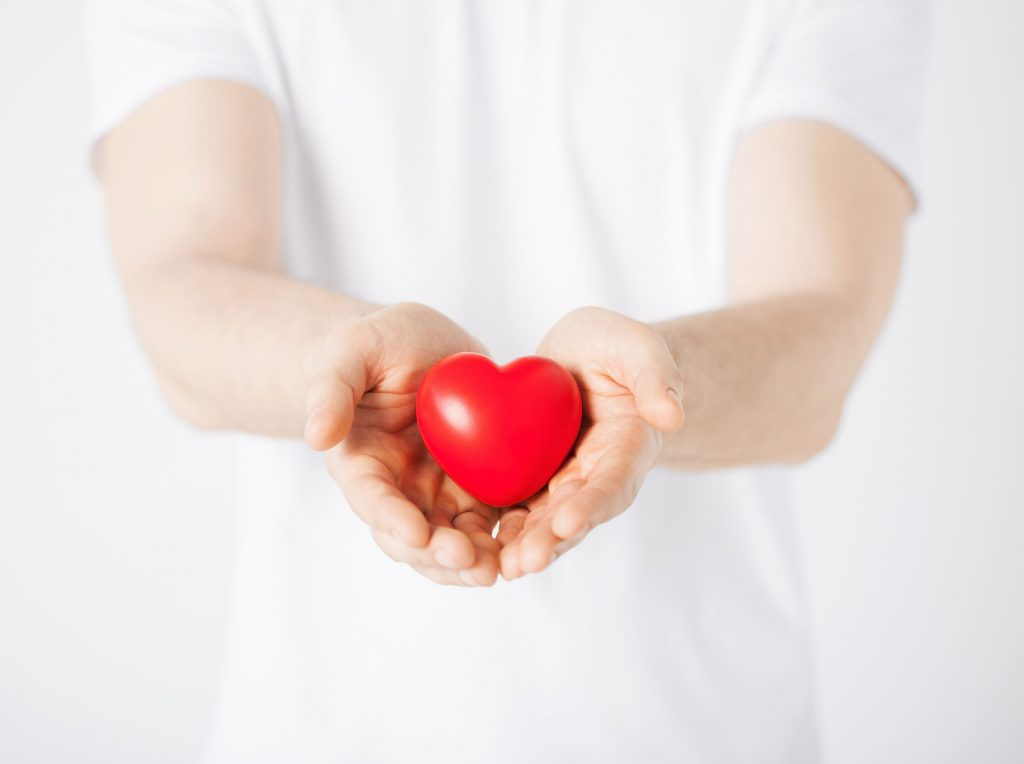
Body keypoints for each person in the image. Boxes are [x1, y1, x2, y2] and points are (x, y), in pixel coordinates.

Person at [84, 1, 931, 761]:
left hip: (708, 730)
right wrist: (352, 363)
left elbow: (821, 327)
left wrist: (658, 382)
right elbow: (182, 283)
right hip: (323, 728)